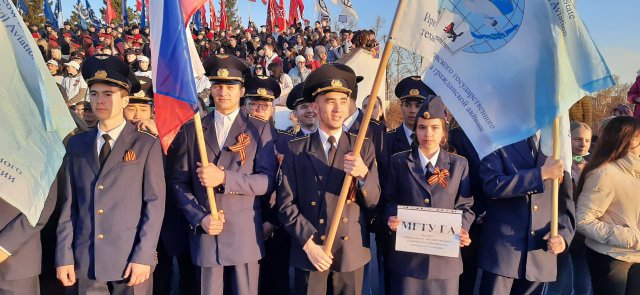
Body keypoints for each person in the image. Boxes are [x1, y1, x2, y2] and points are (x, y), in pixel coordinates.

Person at [166, 54, 277, 295]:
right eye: (217, 85)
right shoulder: (193, 128)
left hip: (244, 237)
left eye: (230, 86)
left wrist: (225, 178)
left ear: (241, 91)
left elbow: (266, 182)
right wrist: (199, 217)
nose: (223, 92)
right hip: (206, 233)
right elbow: (178, 182)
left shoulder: (259, 129)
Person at [55, 54, 166, 294]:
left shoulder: (145, 144)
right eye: (94, 94)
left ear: (125, 100)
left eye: (108, 94)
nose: (99, 100)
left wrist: (144, 255)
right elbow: (68, 206)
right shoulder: (77, 145)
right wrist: (63, 255)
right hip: (84, 261)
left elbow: (154, 205)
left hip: (130, 261)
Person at [277, 64, 380, 295]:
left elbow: (374, 202)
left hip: (350, 254)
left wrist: (363, 174)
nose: (337, 108)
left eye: (343, 101)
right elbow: (285, 206)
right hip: (311, 252)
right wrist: (308, 245)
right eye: (330, 101)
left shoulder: (362, 146)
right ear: (315, 106)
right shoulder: (296, 150)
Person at [384, 97, 475, 295]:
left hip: (445, 263)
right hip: (407, 260)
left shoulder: (459, 165)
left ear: (443, 131)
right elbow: (389, 200)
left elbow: (465, 206)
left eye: (434, 127)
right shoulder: (399, 162)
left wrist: (463, 229)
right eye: (422, 127)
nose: (428, 134)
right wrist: (391, 217)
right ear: (416, 130)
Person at [478, 129, 576, 295]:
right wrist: (540, 174)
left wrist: (563, 236)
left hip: (540, 251)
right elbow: (492, 185)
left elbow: (565, 202)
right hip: (503, 253)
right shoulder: (498, 138)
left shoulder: (558, 143)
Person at [576, 116, 640, 295]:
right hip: (611, 256)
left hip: (636, 256)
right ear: (629, 140)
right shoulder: (604, 173)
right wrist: (628, 237)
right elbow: (583, 220)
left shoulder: (636, 173)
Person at [242, 75, 294, 295]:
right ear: (244, 107)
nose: (258, 110)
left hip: (276, 227)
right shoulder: (234, 141)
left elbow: (289, 187)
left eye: (265, 105)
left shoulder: (285, 142)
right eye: (253, 104)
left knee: (275, 283)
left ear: (272, 109)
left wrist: (271, 221)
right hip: (242, 226)